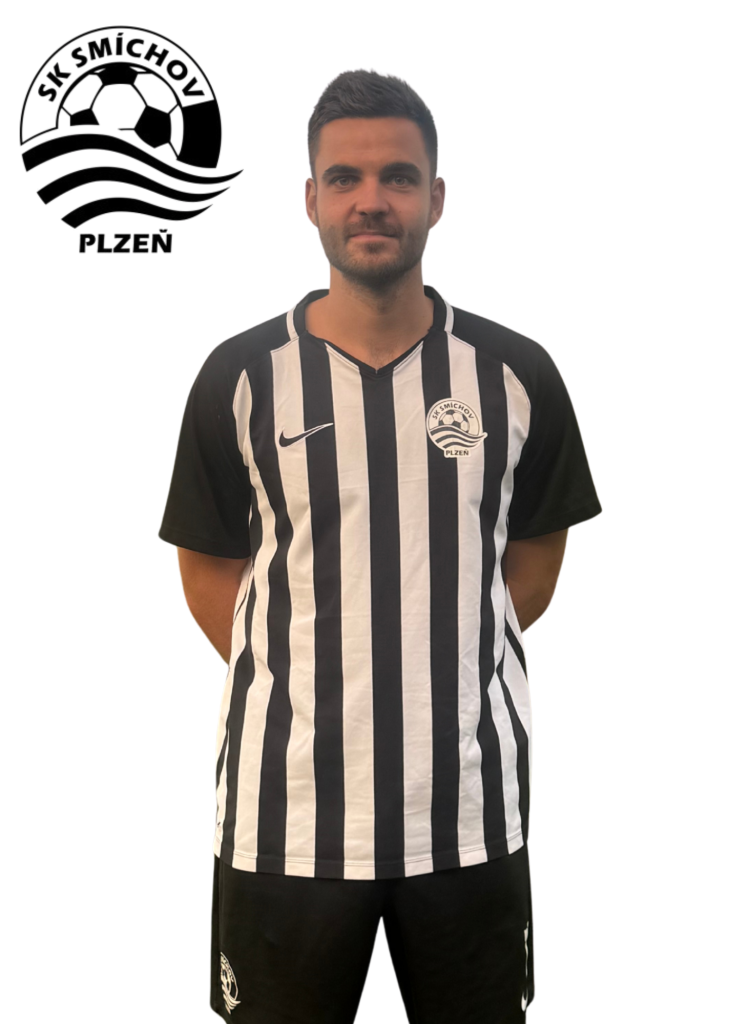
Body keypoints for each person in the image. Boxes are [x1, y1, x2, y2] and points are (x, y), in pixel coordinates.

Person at [159, 69, 601, 1024]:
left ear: (434, 198)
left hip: (466, 812)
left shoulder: (515, 375)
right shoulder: (238, 377)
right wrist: (314, 670)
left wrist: (435, 657)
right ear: (310, 198)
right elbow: (208, 571)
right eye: (345, 178)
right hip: (284, 818)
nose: (371, 200)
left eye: (397, 177)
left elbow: (531, 564)